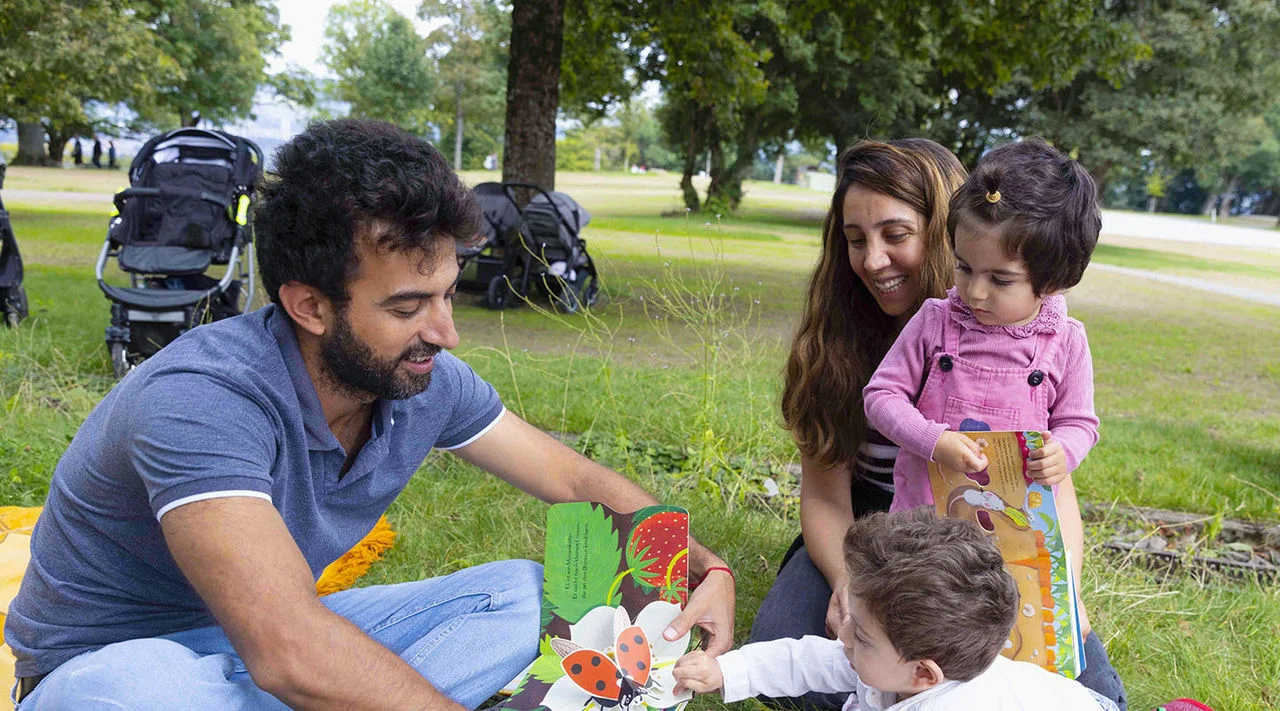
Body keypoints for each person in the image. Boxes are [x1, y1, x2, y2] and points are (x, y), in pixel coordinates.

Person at [4, 119, 736, 709]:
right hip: (125, 665)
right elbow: (287, 647)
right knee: (126, 697)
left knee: (522, 593)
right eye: (408, 306)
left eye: (448, 294)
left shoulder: (421, 377)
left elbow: (572, 479)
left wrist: (707, 564)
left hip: (271, 652)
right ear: (309, 304)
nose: (446, 332)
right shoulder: (203, 397)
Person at [862, 138, 1124, 709]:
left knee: (1029, 657)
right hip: (922, 532)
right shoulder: (935, 323)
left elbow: (1080, 423)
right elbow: (881, 397)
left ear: (1053, 279)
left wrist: (1065, 453)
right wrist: (935, 441)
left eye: (999, 279)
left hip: (1013, 537)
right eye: (963, 267)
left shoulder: (1065, 342)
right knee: (916, 646)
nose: (973, 291)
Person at [748, 139, 966, 710]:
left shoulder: (1007, 340)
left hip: (969, 533)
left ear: (947, 234)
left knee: (1079, 695)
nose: (872, 261)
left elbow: (1047, 487)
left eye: (896, 236)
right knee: (783, 662)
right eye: (855, 240)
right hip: (861, 529)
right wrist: (850, 581)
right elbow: (824, 495)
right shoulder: (834, 343)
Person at [673, 509, 1118, 711]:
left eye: (860, 635)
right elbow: (805, 660)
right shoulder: (886, 658)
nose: (842, 635)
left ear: (923, 674)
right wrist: (727, 673)